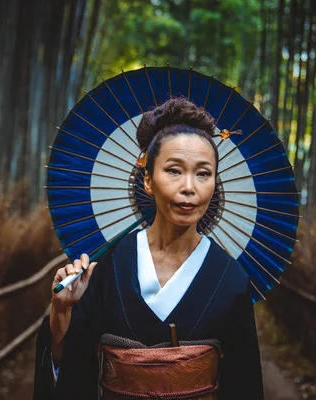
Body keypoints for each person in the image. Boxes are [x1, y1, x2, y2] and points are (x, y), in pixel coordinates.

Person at [34, 97, 265, 399]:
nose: (189, 187)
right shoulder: (107, 267)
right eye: (173, 170)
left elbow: (243, 385)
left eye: (203, 173)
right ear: (148, 180)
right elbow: (74, 371)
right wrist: (62, 311)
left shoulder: (231, 278)